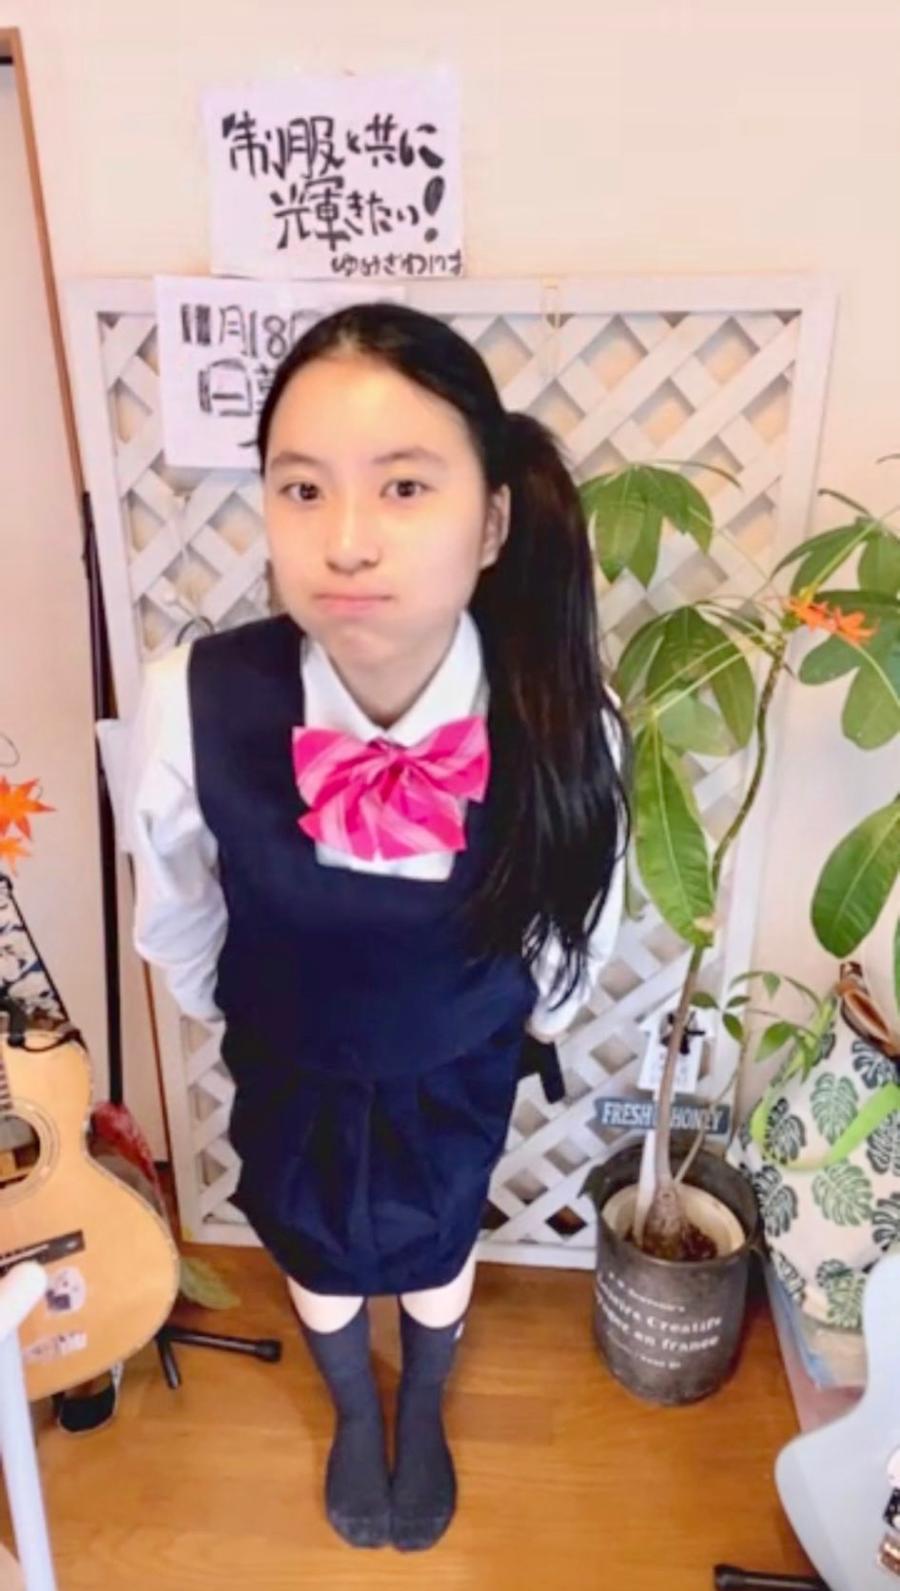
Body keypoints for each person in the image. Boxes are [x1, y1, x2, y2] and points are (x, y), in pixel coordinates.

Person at [124, 301, 631, 1553]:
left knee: (441, 1229)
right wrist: (242, 1003)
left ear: (492, 520)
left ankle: (428, 1399)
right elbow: (175, 896)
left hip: (456, 1061)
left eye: (404, 485)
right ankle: (356, 1405)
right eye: (301, 489)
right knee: (312, 1238)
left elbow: (577, 929)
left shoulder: (565, 715)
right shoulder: (190, 697)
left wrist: (506, 1017)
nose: (345, 540)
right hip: (288, 1056)